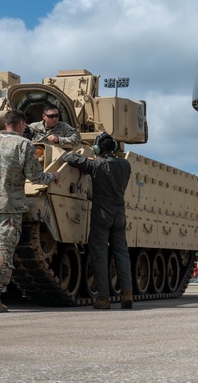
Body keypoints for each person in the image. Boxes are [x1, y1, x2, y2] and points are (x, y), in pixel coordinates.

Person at [0, 109, 57, 313]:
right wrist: (53, 176)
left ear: (5, 124)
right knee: (3, 250)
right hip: (11, 206)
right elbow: (35, 177)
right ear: (22, 125)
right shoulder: (24, 145)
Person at [63, 132, 134, 309]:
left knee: (100, 254)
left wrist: (87, 156)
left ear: (97, 148)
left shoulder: (96, 164)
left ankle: (103, 298)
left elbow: (69, 157)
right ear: (115, 148)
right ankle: (127, 294)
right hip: (119, 213)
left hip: (102, 213)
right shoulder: (125, 164)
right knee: (121, 253)